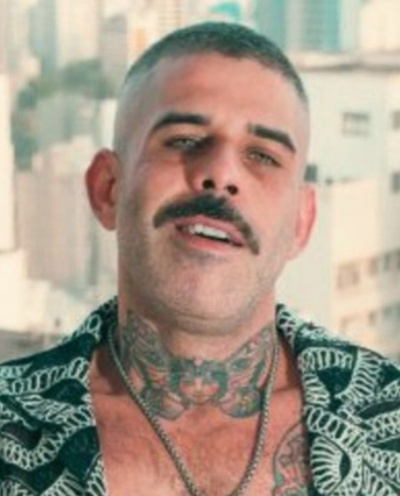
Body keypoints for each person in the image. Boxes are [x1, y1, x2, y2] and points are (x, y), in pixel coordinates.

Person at [1, 22, 400, 496]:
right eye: (184, 140)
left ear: (302, 222)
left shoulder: (388, 419)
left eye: (263, 156)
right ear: (108, 188)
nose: (221, 173)